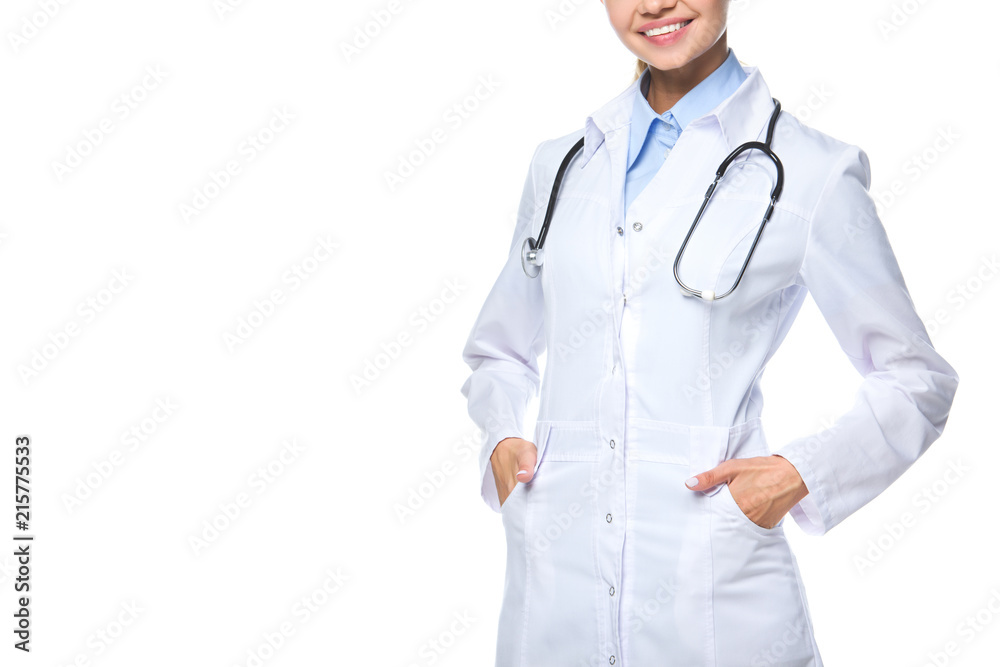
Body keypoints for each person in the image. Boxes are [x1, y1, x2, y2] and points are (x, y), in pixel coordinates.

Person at [459, 1, 960, 665]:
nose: (656, 4)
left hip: (718, 597)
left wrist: (797, 473)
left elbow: (916, 379)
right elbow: (499, 350)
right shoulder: (561, 167)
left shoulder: (811, 172)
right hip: (555, 592)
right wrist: (500, 435)